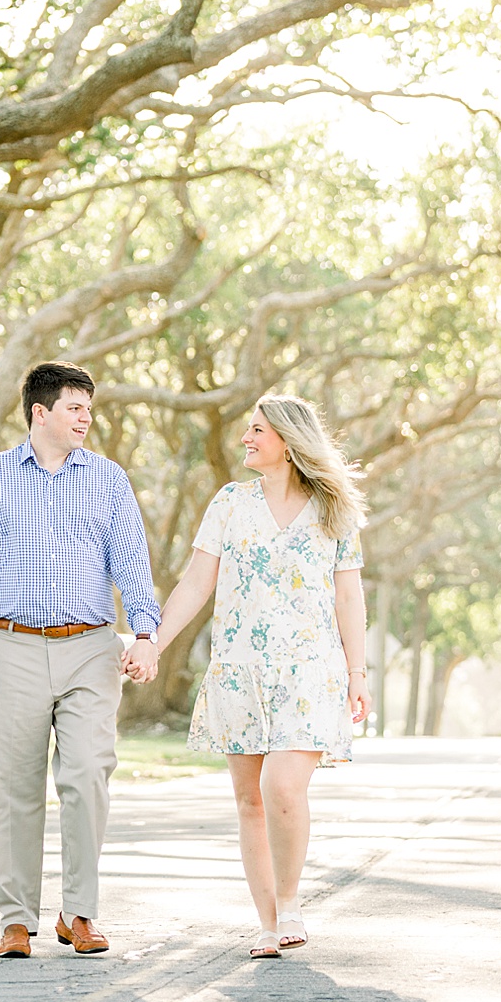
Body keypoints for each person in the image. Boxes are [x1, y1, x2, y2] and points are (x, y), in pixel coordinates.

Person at [0, 360, 162, 959]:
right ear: (41, 413)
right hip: (9, 648)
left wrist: (145, 633)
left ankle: (79, 913)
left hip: (91, 648)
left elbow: (131, 560)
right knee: (15, 786)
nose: (87, 418)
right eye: (75, 408)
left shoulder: (108, 480)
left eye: (89, 408)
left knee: (87, 774)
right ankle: (16, 919)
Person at [143, 393, 371, 959]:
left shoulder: (333, 511)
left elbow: (349, 596)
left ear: (289, 445)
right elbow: (196, 583)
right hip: (239, 672)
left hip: (310, 672)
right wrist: (152, 642)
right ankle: (269, 923)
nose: (245, 439)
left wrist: (358, 672)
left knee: (281, 787)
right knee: (249, 800)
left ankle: (290, 900)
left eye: (257, 431)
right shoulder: (229, 502)